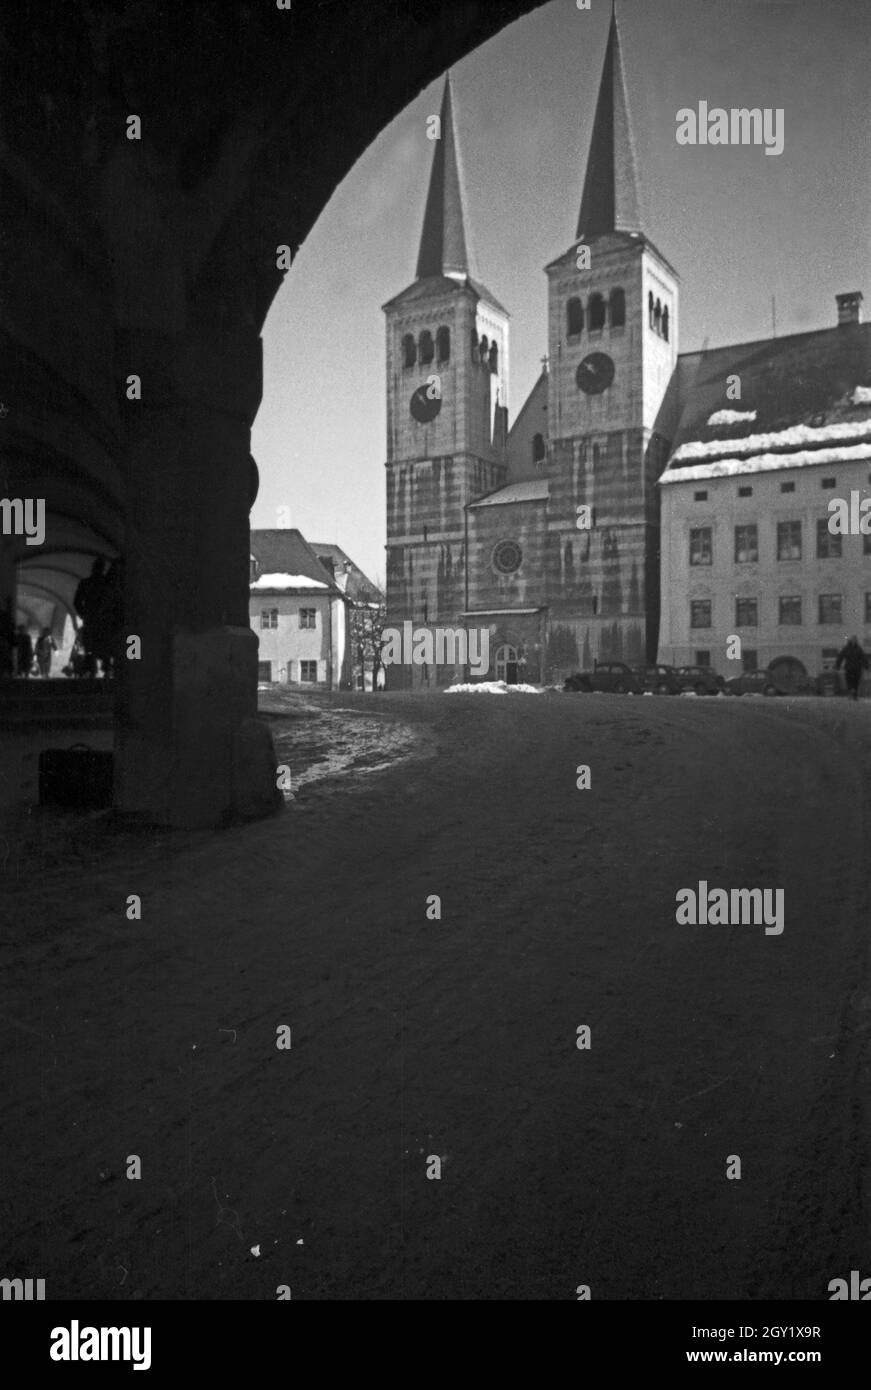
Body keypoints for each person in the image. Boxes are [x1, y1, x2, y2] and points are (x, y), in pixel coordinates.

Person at [835, 635, 869, 700]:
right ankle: (851, 691)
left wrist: (866, 666)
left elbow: (863, 657)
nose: (854, 641)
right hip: (849, 668)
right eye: (853, 640)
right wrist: (837, 665)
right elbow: (840, 657)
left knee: (856, 682)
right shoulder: (846, 648)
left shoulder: (858, 649)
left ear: (856, 641)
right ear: (851, 641)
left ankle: (854, 694)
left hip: (857, 668)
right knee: (849, 681)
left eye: (855, 640)